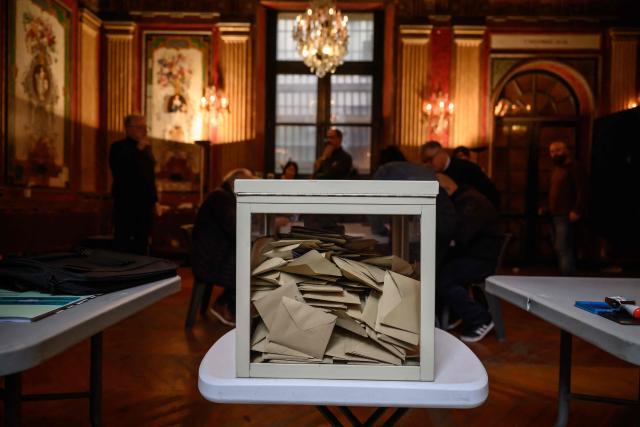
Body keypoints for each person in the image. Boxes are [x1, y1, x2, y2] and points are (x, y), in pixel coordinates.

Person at [435, 173, 503, 343]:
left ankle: (480, 319)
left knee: (444, 280)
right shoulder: (465, 199)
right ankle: (455, 314)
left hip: (481, 260)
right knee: (440, 271)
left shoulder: (471, 202)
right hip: (473, 256)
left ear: (446, 190)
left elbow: (459, 237)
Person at [372, 146, 456, 268]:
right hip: (445, 215)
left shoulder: (385, 170)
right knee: (433, 269)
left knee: (405, 267)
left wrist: (379, 229)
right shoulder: (419, 169)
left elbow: (373, 202)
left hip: (425, 219)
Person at [192, 168, 255, 326]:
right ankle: (223, 303)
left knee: (249, 255)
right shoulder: (221, 198)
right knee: (248, 260)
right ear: (236, 183)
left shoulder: (222, 196)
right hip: (208, 260)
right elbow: (235, 229)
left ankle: (233, 304)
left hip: (211, 254)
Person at [109, 114, 158, 255]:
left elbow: (150, 176)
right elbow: (121, 171)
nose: (145, 131)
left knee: (142, 241)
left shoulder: (146, 150)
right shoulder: (118, 147)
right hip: (126, 202)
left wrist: (155, 201)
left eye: (145, 127)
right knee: (123, 240)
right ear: (128, 129)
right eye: (140, 127)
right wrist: (138, 150)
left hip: (145, 203)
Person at [539, 141, 586, 275]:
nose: (555, 154)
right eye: (552, 151)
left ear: (566, 150)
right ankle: (565, 276)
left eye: (558, 150)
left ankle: (569, 278)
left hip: (566, 214)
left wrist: (577, 209)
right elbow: (554, 192)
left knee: (564, 247)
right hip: (555, 214)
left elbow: (582, 190)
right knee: (559, 247)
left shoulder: (575, 168)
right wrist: (547, 208)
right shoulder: (556, 170)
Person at [421, 141, 501, 209]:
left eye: (430, 159)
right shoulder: (432, 175)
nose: (428, 164)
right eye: (425, 162)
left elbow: (489, 193)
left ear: (441, 153)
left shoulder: (467, 167)